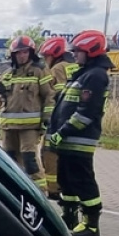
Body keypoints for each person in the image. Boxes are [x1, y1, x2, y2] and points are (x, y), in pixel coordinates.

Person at [45, 30, 111, 236]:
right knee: (66, 180)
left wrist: (63, 131)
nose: (73, 55)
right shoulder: (83, 73)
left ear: (91, 51)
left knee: (83, 180)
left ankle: (91, 224)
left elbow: (87, 112)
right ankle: (70, 217)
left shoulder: (96, 76)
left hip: (78, 140)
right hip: (67, 139)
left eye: (78, 51)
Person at [0, 36, 54, 192]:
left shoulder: (39, 71)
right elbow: (1, 100)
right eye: (18, 53)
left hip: (30, 127)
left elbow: (49, 96)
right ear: (13, 55)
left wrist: (47, 119)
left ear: (31, 53)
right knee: (10, 161)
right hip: (8, 127)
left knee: (30, 160)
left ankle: (41, 195)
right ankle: (15, 193)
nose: (22, 56)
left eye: (25, 52)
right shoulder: (8, 74)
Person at [38, 37, 79, 201]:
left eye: (45, 57)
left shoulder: (57, 69)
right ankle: (69, 188)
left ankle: (53, 189)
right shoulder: (75, 66)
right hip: (73, 119)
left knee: (49, 154)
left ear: (54, 55)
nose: (45, 61)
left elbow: (52, 95)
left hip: (57, 118)